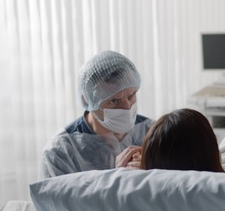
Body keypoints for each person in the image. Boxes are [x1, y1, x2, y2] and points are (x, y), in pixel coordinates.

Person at [40, 50, 154, 178]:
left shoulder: (153, 132)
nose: (127, 107)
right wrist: (117, 180)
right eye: (114, 101)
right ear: (88, 101)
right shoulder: (61, 152)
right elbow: (63, 198)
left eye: (131, 96)